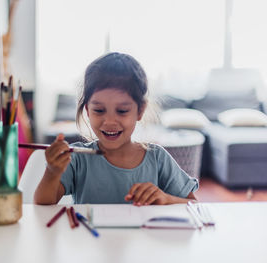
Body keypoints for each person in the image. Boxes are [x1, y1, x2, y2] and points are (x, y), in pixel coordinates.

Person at [34, 52, 198, 205]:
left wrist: (166, 199)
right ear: (87, 111)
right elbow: (43, 203)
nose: (110, 121)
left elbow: (194, 205)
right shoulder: (76, 158)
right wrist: (52, 171)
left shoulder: (158, 159)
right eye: (99, 110)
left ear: (140, 111)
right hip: (88, 237)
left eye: (122, 111)